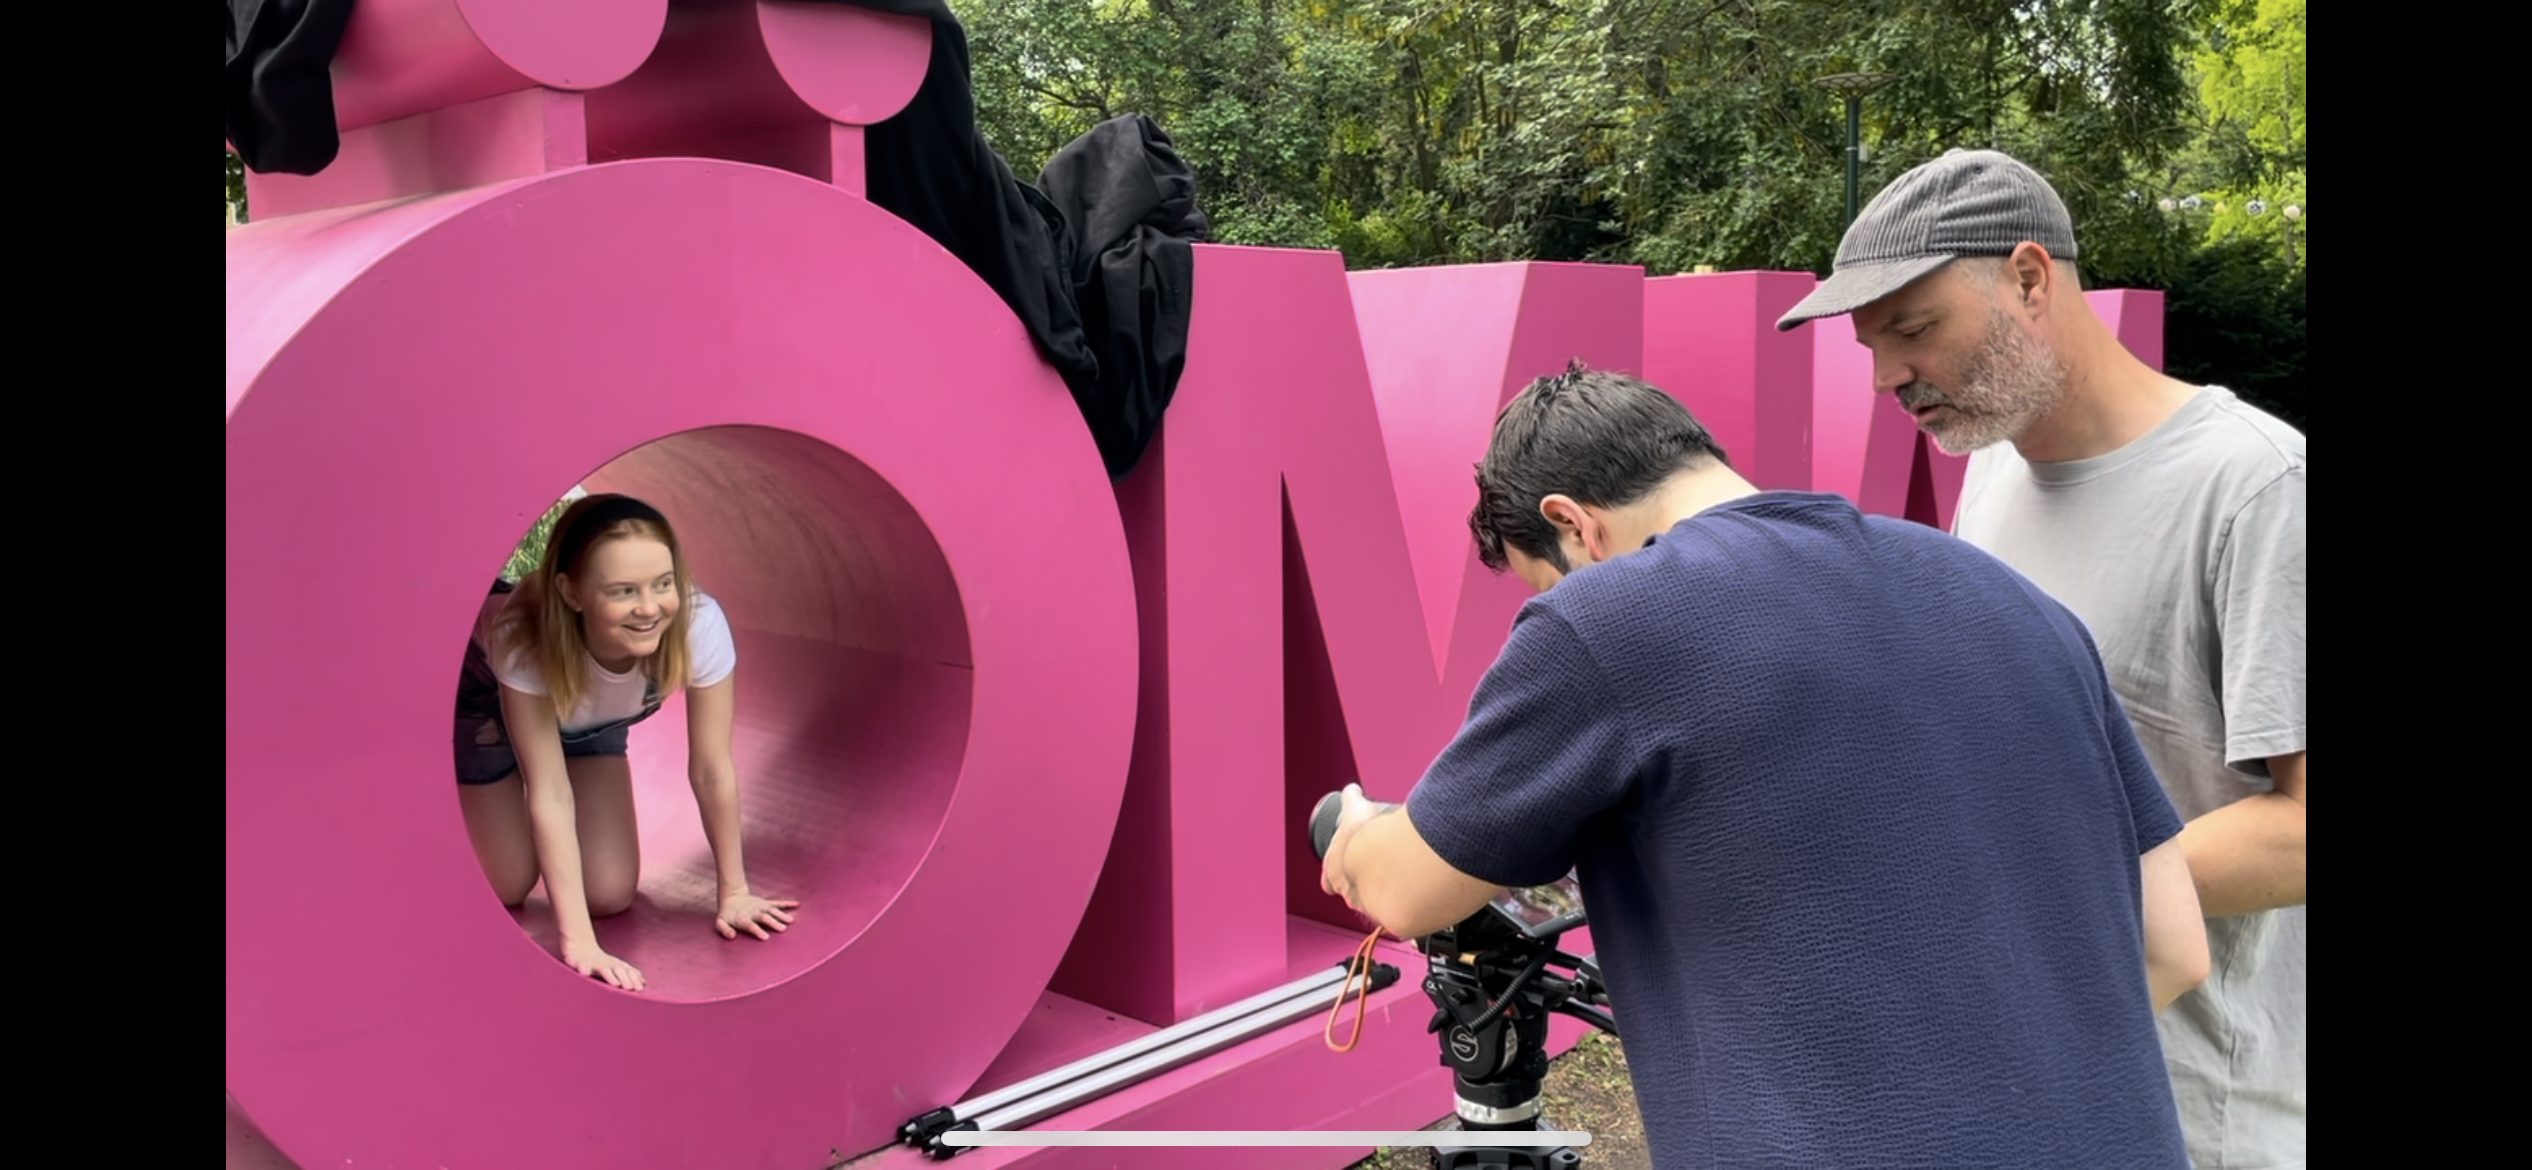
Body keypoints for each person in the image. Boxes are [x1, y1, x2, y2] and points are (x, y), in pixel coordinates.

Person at [1317, 362, 2207, 1168]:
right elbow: (2175, 942)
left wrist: (1357, 833)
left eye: (1544, 579)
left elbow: (1406, 891)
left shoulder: (1610, 618)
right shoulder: (2008, 597)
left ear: (1572, 524)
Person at [1776, 148, 2305, 1169]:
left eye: (1915, 330)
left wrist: (2037, 886)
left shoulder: (2258, 489)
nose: (1888, 377)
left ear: (2029, 279)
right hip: (2024, 1080)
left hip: (2198, 1117)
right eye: (1872, 346)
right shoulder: (1998, 477)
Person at [453, 493, 799, 992]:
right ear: (572, 593)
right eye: (622, 591)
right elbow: (549, 791)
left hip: (588, 720)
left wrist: (735, 891)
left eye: (663, 583)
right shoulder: (523, 635)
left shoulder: (699, 623)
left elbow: (711, 768)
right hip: (490, 698)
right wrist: (580, 942)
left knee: (609, 892)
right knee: (507, 882)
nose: (648, 607)